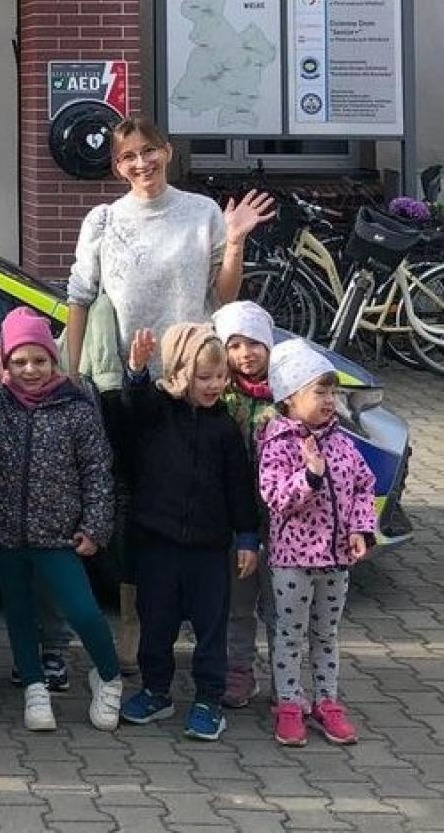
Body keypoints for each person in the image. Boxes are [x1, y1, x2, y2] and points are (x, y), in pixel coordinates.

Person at [64, 117, 273, 670]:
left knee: (199, 491)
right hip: (130, 386)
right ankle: (137, 621)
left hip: (195, 380)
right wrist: (72, 375)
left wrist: (234, 240)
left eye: (149, 152)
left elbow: (222, 294)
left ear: (167, 152)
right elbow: (80, 299)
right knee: (134, 498)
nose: (141, 164)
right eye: (129, 156)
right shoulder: (103, 221)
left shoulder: (201, 210)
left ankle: (207, 623)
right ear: (117, 165)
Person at [0, 309, 123, 734]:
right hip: (4, 529)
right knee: (19, 614)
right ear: (4, 363)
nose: (30, 370)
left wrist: (96, 526)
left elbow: (97, 468)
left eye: (39, 360)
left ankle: (108, 677)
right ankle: (34, 687)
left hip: (57, 533)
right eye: (19, 361)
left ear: (53, 360)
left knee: (83, 610)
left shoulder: (74, 405)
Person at [117, 325, 259, 742]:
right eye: (204, 377)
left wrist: (247, 536)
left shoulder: (226, 429)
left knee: (211, 626)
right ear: (179, 374)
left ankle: (208, 700)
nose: (214, 385)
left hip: (210, 549)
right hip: (157, 543)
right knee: (156, 621)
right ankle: (155, 690)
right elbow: (133, 410)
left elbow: (239, 488)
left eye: (220, 377)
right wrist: (138, 371)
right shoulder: (159, 412)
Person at [259, 339, 377, 748]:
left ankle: (327, 701)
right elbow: (275, 498)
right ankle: (289, 704)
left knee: (326, 635)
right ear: (290, 397)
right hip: (292, 562)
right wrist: (309, 476)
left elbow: (364, 487)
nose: (329, 401)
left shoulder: (342, 442)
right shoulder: (277, 443)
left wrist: (361, 529)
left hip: (336, 560)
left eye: (332, 392)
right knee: (290, 635)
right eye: (319, 392)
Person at [212, 300, 279, 709]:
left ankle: (286, 676)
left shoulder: (289, 396)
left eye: (253, 343)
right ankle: (239, 668)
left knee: (279, 604)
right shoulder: (222, 396)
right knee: (238, 600)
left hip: (284, 521)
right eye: (234, 345)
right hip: (236, 520)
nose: (244, 354)